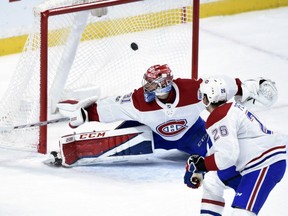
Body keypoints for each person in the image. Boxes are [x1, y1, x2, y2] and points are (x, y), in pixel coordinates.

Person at [52, 64, 277, 215]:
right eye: (147, 83)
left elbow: (222, 86)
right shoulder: (138, 100)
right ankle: (80, 149)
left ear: (165, 85)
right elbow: (109, 107)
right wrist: (84, 115)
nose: (146, 88)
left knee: (220, 156)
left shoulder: (194, 90)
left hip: (192, 134)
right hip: (156, 135)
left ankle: (241, 181)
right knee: (123, 138)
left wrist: (249, 87)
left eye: (151, 85)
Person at [184, 77, 286, 215]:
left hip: (264, 163)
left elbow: (227, 157)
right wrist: (201, 164)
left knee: (240, 213)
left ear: (209, 98)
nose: (201, 99)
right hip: (252, 160)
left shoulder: (219, 116)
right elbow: (224, 145)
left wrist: (202, 165)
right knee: (212, 181)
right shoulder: (230, 108)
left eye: (203, 95)